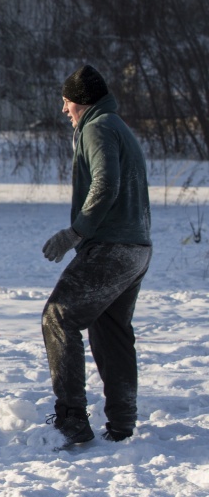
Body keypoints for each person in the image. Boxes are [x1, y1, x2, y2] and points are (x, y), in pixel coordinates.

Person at [41, 64, 151, 448]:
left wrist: (76, 232)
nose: (64, 110)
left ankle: (71, 419)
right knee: (111, 331)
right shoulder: (116, 125)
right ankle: (121, 422)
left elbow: (106, 182)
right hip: (137, 249)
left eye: (67, 102)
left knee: (58, 317)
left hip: (111, 248)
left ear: (82, 102)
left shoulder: (97, 127)